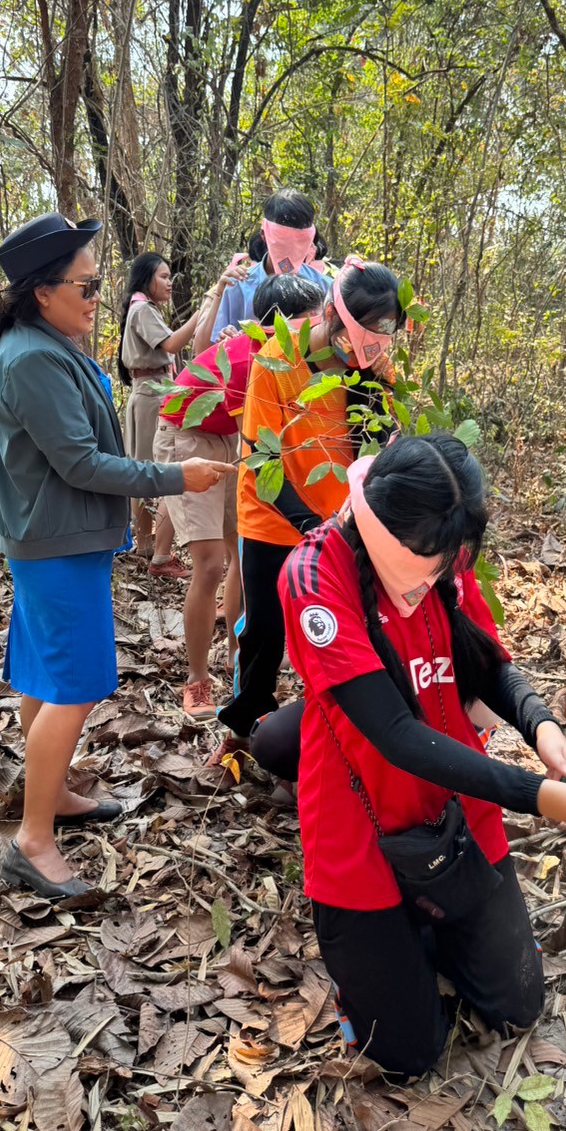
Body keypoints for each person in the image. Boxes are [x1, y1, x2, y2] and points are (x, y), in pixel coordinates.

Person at [275, 432, 566, 1079]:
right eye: (432, 559)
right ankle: (387, 951)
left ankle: (425, 933)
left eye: (453, 558)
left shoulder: (441, 555)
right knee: (406, 1054)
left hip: (458, 812)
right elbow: (394, 733)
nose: (444, 571)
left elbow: (485, 660)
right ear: (389, 534)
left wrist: (539, 724)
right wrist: (543, 798)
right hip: (361, 827)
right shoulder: (314, 576)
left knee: (516, 1005)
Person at [0, 213, 235, 900]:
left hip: (53, 535)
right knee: (77, 683)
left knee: (45, 675)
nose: (97, 299)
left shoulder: (45, 344)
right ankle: (33, 841)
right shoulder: (33, 358)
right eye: (85, 287)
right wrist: (177, 477)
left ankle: (53, 793)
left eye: (98, 285)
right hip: (55, 541)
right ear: (42, 291)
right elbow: (82, 463)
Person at [215, 255, 404, 763]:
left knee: (334, 628)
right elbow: (263, 458)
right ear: (332, 315)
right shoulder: (276, 360)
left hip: (339, 519)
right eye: (356, 339)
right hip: (273, 517)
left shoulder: (373, 369)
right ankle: (242, 728)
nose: (359, 354)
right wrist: (314, 528)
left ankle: (324, 734)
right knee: (264, 632)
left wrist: (382, 399)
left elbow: (377, 448)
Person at [155, 273, 325, 719]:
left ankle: (240, 658)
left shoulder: (293, 359)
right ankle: (197, 680)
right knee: (210, 562)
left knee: (241, 554)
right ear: (282, 325)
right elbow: (262, 444)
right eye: (311, 321)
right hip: (186, 434)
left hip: (229, 438)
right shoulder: (260, 359)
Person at [117, 252, 242, 576]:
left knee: (156, 470)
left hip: (155, 389)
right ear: (145, 278)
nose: (169, 283)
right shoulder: (142, 309)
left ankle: (152, 548)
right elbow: (172, 345)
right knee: (155, 471)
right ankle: (151, 550)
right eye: (163, 276)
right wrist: (204, 308)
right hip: (152, 394)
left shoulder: (145, 308)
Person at [209, 190, 332, 343]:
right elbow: (214, 347)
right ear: (264, 235)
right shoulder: (239, 285)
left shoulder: (326, 288)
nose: (292, 248)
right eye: (284, 241)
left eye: (300, 241)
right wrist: (228, 339)